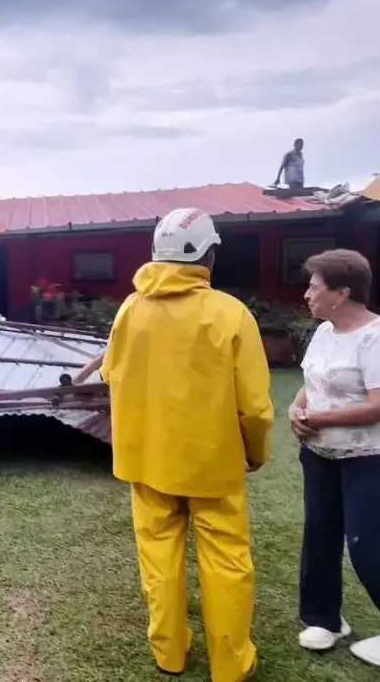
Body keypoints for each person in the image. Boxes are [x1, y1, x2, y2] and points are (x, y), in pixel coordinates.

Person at [99, 207, 273, 681]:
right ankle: (231, 663)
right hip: (212, 463)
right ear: (207, 253)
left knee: (158, 555)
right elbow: (255, 407)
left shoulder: (130, 310)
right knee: (226, 560)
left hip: (146, 458)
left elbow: (109, 374)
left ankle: (169, 653)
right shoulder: (230, 314)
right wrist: (255, 450)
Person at [288, 248, 380, 668]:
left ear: (341, 293)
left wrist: (319, 417)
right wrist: (295, 408)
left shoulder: (374, 337)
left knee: (368, 544)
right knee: (320, 536)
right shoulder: (324, 332)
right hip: (320, 454)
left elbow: (379, 404)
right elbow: (310, 382)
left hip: (368, 457)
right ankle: (323, 618)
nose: (307, 293)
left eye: (314, 286)